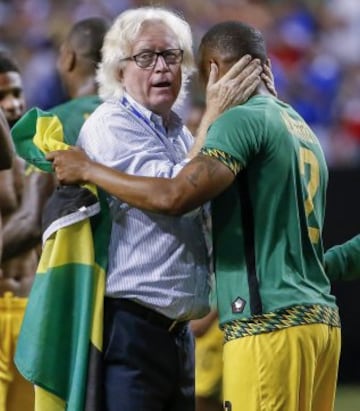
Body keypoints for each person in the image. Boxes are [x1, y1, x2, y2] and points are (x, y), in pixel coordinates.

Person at [47, 20, 343, 411]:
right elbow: (176, 192)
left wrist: (89, 170)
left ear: (210, 71)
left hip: (234, 328)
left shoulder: (192, 135)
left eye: (172, 56)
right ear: (120, 69)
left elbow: (178, 193)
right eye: (147, 57)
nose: (163, 67)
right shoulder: (112, 121)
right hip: (135, 327)